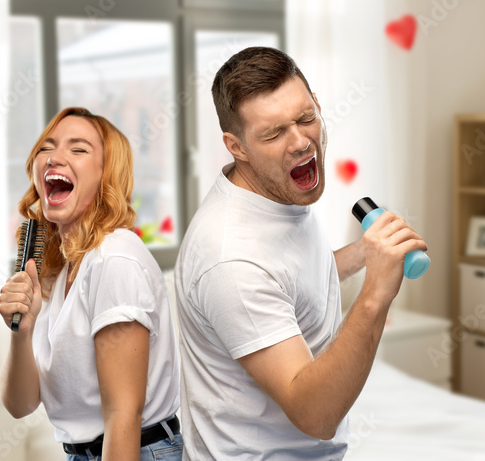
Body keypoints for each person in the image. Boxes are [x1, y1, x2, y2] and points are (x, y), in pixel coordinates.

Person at [174, 47, 427, 459]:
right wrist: (376, 293)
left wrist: (366, 251)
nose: (300, 142)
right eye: (273, 134)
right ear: (235, 146)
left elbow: (292, 275)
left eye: (306, 118)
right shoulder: (230, 258)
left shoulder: (274, 193)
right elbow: (316, 415)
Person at [0, 107, 183, 460]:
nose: (55, 157)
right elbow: (20, 404)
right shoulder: (55, 268)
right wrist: (20, 332)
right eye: (46, 148)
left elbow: (123, 415)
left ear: (106, 175)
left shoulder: (114, 258)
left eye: (78, 149)